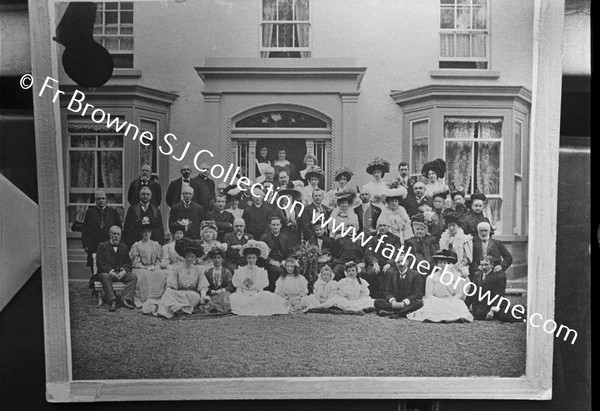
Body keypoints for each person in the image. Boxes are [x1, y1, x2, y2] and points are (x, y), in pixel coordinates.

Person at [407, 249, 473, 323]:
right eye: (440, 262)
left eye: (444, 263)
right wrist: (437, 300)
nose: (442, 265)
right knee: (431, 304)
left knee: (459, 304)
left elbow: (458, 293)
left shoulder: (455, 277)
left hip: (450, 299)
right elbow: (429, 295)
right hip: (436, 300)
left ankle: (455, 317)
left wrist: (454, 299)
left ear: (448, 264)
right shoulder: (431, 277)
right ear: (437, 265)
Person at [150, 241, 211, 318]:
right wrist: (168, 291)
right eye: (188, 256)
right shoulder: (178, 269)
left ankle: (177, 307)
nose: (190, 259)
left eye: (192, 257)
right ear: (184, 257)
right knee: (168, 294)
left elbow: (202, 285)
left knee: (196, 297)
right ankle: (177, 307)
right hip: (179, 293)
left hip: (191, 294)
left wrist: (203, 296)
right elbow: (171, 284)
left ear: (195, 258)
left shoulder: (198, 270)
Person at [229, 241, 289, 316]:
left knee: (266, 296)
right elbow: (238, 287)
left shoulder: (261, 271)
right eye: (249, 258)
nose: (251, 260)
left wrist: (254, 294)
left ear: (257, 258)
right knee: (234, 297)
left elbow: (261, 289)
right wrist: (244, 292)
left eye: (253, 258)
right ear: (246, 258)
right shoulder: (240, 271)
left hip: (256, 295)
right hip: (243, 295)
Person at [81, 190, 121, 284]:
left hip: (109, 244)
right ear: (95, 200)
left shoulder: (113, 212)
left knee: (109, 265)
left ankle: (109, 285)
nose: (101, 201)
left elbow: (119, 228)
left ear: (106, 200)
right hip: (94, 244)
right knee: (94, 266)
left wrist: (118, 243)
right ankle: (96, 285)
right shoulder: (90, 213)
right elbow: (85, 230)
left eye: (103, 198)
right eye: (99, 199)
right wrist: (85, 245)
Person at [129, 217, 168, 309]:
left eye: (149, 231)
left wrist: (156, 266)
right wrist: (145, 267)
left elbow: (158, 259)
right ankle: (145, 299)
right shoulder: (137, 245)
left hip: (153, 267)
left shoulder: (155, 245)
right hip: (141, 268)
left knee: (160, 273)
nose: (147, 234)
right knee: (145, 274)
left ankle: (158, 298)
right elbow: (136, 262)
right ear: (141, 233)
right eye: (145, 232)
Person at [95, 226, 137, 311]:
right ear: (110, 235)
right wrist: (110, 271)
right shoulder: (102, 246)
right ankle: (112, 300)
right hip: (108, 274)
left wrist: (123, 271)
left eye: (118, 234)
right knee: (104, 276)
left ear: (120, 236)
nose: (116, 236)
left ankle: (125, 299)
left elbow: (128, 263)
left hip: (120, 274)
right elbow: (100, 262)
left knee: (133, 277)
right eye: (114, 234)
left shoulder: (124, 247)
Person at [373, 251, 424, 317]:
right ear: (396, 264)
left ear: (407, 262)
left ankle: (394, 312)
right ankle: (402, 312)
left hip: (407, 303)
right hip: (395, 302)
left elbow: (418, 294)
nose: (400, 264)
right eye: (398, 262)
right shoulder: (392, 275)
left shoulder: (415, 275)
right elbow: (388, 292)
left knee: (419, 303)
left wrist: (404, 302)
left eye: (402, 261)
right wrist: (393, 301)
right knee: (377, 302)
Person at [363, 216, 402, 299]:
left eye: (384, 226)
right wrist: (374, 262)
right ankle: (373, 296)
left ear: (389, 227)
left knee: (390, 273)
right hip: (375, 263)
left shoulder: (395, 239)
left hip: (389, 263)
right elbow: (369, 253)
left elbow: (397, 253)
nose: (382, 228)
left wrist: (389, 263)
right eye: (380, 226)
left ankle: (387, 296)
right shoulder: (373, 239)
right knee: (371, 273)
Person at [260, 215, 293, 291]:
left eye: (277, 225)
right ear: (270, 226)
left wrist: (286, 261)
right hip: (269, 263)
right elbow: (261, 254)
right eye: (273, 225)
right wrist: (271, 261)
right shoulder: (265, 238)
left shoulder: (284, 238)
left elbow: (289, 252)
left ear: (281, 226)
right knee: (278, 271)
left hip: (282, 262)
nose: (275, 227)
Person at [438, 212, 473, 279]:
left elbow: (466, 258)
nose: (451, 228)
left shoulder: (465, 239)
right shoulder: (444, 239)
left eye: (453, 225)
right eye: (449, 226)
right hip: (446, 265)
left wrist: (458, 265)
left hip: (460, 266)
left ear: (458, 226)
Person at [203, 247, 234, 313]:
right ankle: (214, 308)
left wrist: (222, 290)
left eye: (219, 258)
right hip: (212, 293)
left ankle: (221, 308)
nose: (217, 260)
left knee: (226, 297)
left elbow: (230, 286)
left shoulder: (226, 271)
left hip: (223, 293)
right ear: (211, 259)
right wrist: (211, 291)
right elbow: (204, 285)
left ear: (222, 259)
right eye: (214, 258)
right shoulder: (207, 272)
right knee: (208, 300)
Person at [277, 182, 304, 248]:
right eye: (285, 197)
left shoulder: (297, 208)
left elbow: (301, 222)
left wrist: (295, 223)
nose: (287, 199)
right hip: (283, 235)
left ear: (292, 198)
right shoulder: (279, 210)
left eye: (289, 196)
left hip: (295, 236)